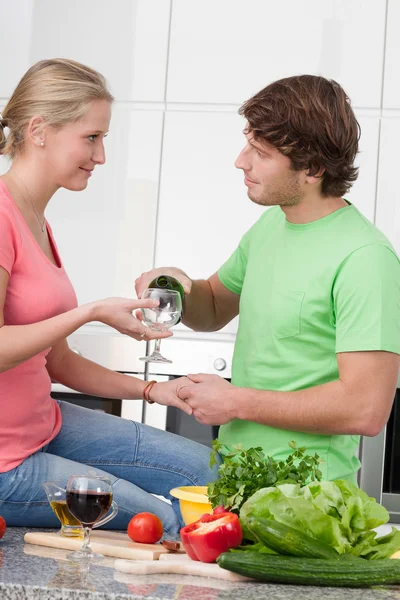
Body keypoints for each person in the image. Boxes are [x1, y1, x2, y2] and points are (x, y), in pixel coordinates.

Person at [136, 75, 400, 485]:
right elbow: (212, 308)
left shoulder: (366, 259)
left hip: (309, 498)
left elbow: (365, 409)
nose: (241, 161)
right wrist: (179, 284)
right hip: (236, 479)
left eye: (260, 152)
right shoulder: (269, 227)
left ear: (312, 167)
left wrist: (236, 402)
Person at [0, 58, 219, 536]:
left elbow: (55, 361)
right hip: (4, 464)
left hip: (45, 426)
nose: (100, 157)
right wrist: (91, 311)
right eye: (91, 137)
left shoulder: (36, 219)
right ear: (39, 130)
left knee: (211, 474)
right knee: (157, 518)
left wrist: (152, 391)